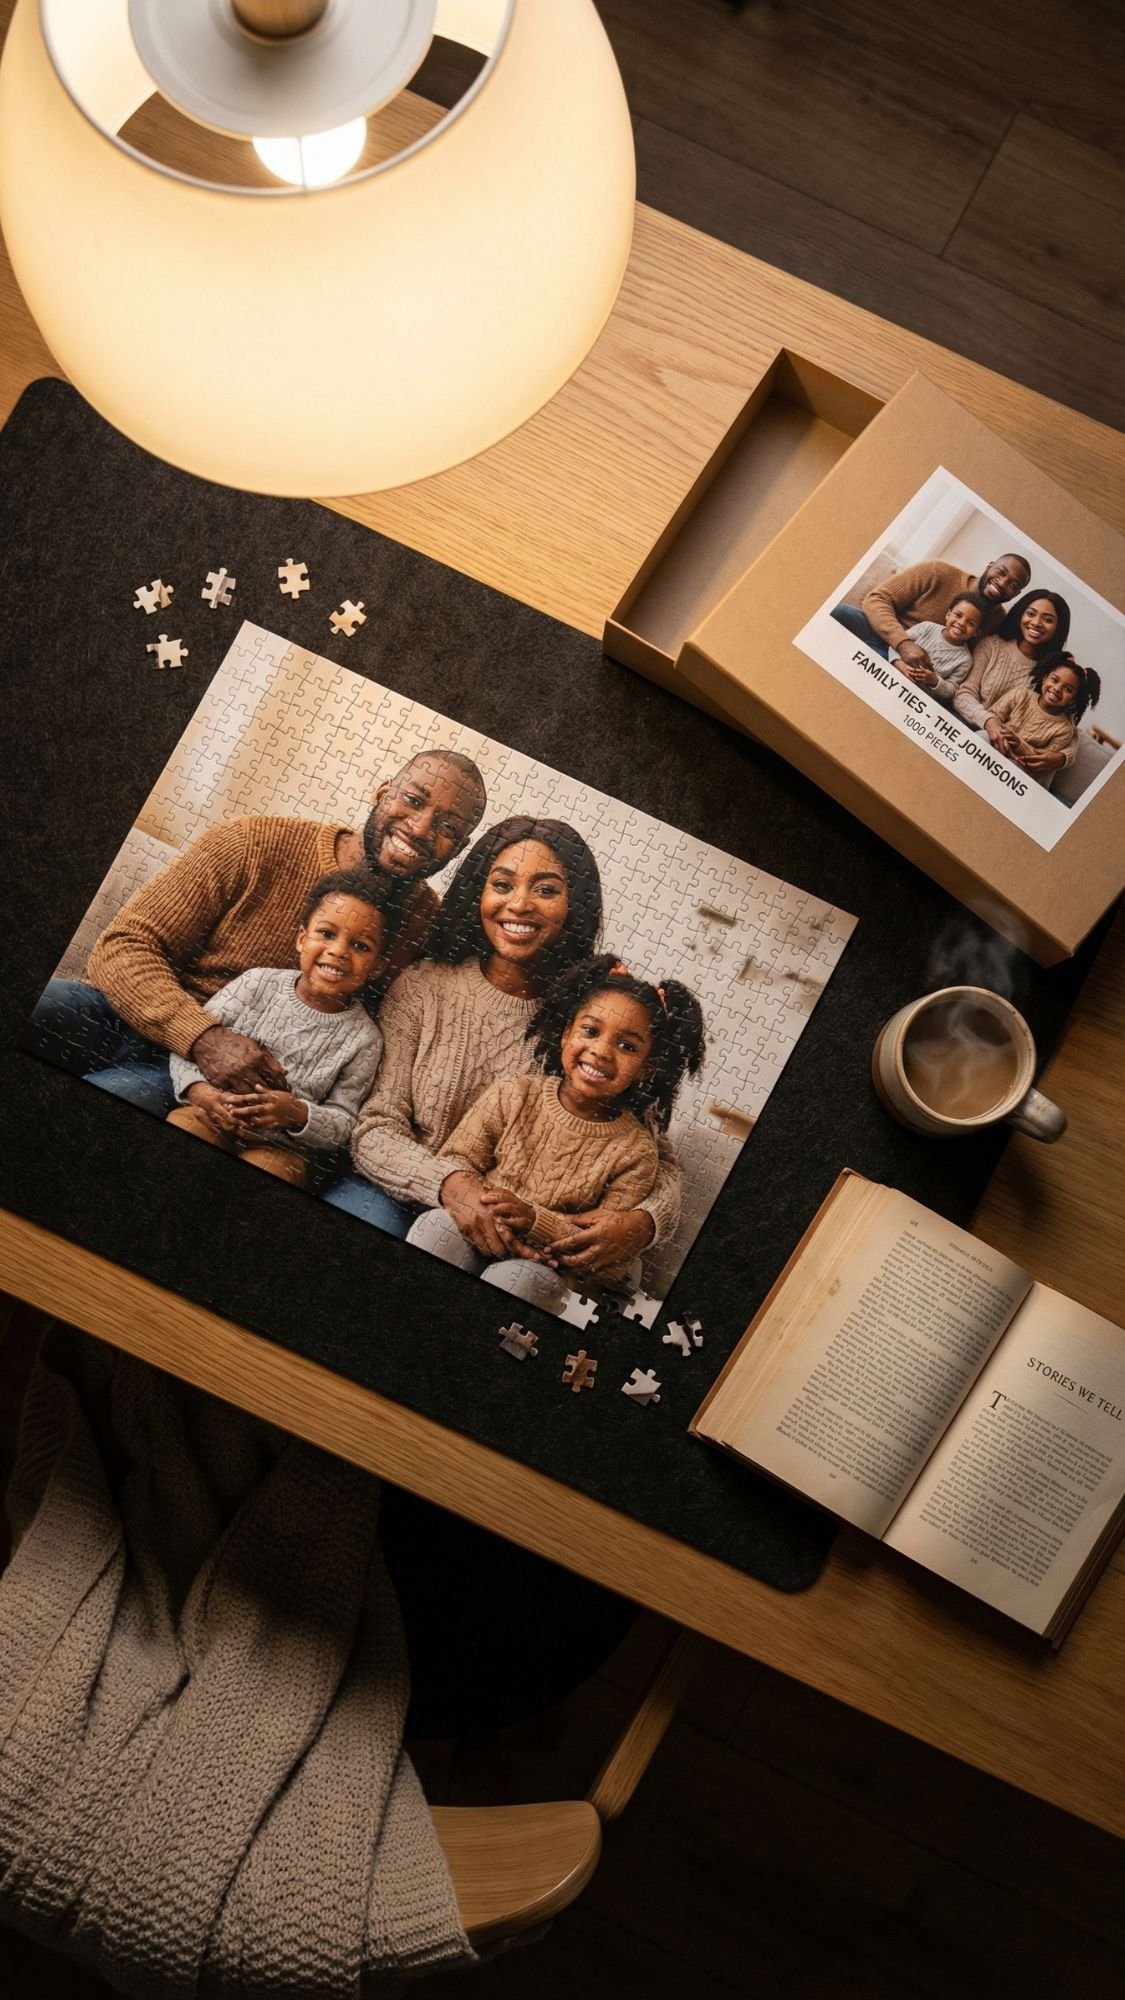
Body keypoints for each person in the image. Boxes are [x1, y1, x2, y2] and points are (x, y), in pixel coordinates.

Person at [23, 749, 487, 1117]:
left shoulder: (430, 929)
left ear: (460, 848)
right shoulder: (254, 841)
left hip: (225, 1089)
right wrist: (204, 1038)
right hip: (129, 1017)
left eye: (448, 826)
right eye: (412, 799)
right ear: (382, 792)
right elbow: (123, 946)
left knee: (112, 1096)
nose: (421, 826)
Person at [324, 818, 683, 1286]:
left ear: (574, 906)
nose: (519, 904)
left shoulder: (592, 1020)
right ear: (478, 892)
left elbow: (656, 1154)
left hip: (526, 1228)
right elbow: (374, 1127)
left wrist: (644, 1223)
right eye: (502, 884)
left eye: (546, 890)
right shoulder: (423, 987)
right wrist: (451, 1186)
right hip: (398, 1193)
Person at [406, 956, 705, 1307]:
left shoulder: (636, 1151)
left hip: (546, 1267)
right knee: (435, 1229)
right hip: (482, 1227)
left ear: (646, 1068)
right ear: (566, 1035)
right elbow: (457, 1160)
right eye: (591, 1031)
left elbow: (597, 1242)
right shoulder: (513, 1094)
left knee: (516, 1282)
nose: (601, 1051)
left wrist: (534, 1220)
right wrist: (488, 1212)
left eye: (627, 1046)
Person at [165, 869, 388, 1186]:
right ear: (301, 939)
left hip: (285, 1148)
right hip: (211, 1115)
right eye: (326, 933)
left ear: (378, 966)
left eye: (361, 946)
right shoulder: (257, 983)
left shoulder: (365, 1040)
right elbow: (189, 1041)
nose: (339, 951)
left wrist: (298, 1114)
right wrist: (200, 1092)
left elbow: (344, 1119)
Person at [953, 590, 1079, 779]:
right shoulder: (993, 646)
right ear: (1021, 613)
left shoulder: (1053, 674)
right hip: (977, 734)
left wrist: (1063, 757)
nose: (1036, 623)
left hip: (1012, 754)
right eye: (1031, 613)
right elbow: (963, 694)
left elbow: (1068, 724)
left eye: (1048, 619)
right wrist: (990, 722)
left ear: (1058, 628)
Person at [832, 551, 1030, 663]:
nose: (1002, 583)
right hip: (880, 634)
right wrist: (903, 643)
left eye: (1013, 585)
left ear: (1016, 594)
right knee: (838, 612)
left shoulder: (997, 621)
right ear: (989, 565)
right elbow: (877, 599)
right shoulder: (938, 571)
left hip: (919, 667)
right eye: (1000, 572)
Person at [986, 653, 1101, 789]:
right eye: (1054, 680)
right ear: (1045, 678)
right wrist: (999, 735)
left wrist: (1017, 743)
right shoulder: (1020, 694)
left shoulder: (1064, 729)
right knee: (982, 736)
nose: (1057, 689)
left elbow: (1042, 762)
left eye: (1068, 689)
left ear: (1074, 698)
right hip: (999, 748)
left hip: (1025, 771)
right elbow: (993, 716)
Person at [889, 591, 989, 703]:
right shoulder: (926, 627)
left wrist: (934, 680)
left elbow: (951, 690)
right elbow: (897, 643)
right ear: (948, 614)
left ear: (976, 632)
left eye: (971, 623)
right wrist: (899, 664)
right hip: (893, 676)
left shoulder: (965, 660)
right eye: (958, 615)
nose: (961, 623)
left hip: (916, 698)